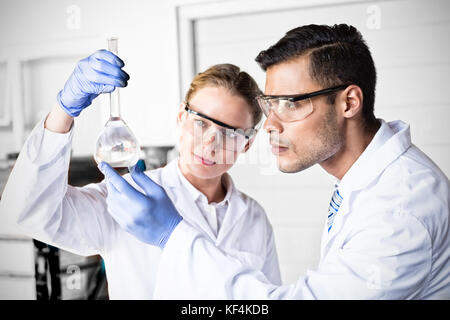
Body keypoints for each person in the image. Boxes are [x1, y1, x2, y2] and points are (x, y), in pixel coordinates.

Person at [99, 24, 450, 299]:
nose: (270, 125)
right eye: (271, 105)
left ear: (349, 102)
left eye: (291, 103)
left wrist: (172, 236)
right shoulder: (366, 179)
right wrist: (64, 113)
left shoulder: (399, 209)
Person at [0, 50, 282, 298]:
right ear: (181, 119)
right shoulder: (128, 198)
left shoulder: (254, 218)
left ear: (247, 143)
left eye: (230, 133)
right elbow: (27, 212)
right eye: (201, 123)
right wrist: (63, 110)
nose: (210, 143)